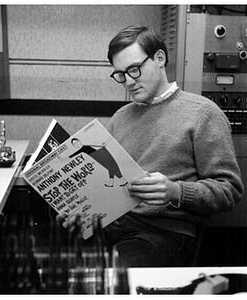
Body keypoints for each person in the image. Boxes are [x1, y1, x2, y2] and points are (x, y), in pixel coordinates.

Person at [58, 25, 244, 267]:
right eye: (121, 75)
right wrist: (80, 209)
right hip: (110, 224)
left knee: (115, 280)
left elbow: (229, 190)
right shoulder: (121, 117)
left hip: (163, 233)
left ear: (159, 58)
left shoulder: (202, 114)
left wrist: (175, 191)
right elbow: (108, 184)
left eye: (134, 70)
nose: (128, 82)